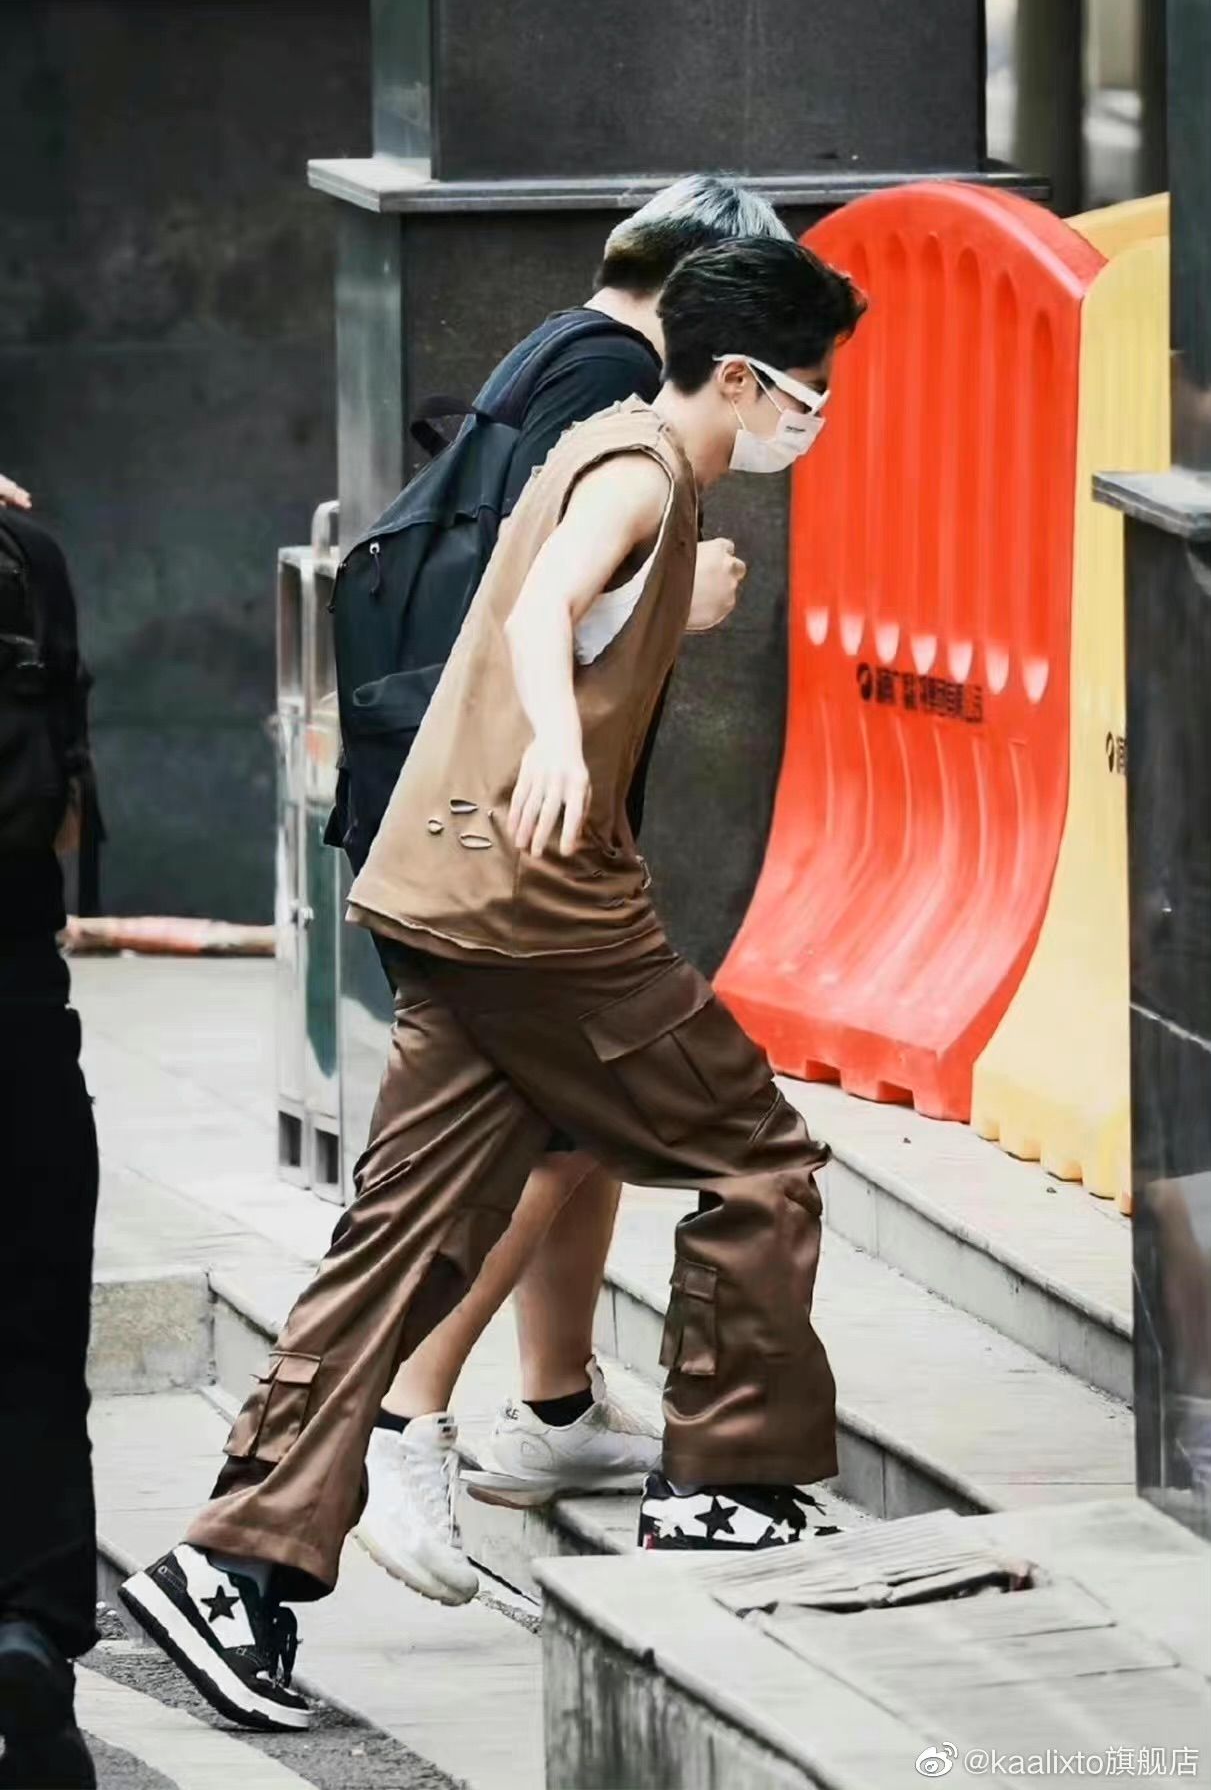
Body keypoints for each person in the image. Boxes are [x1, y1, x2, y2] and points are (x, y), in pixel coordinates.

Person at [120, 235, 865, 1733]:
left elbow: (568, 609)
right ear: (740, 377)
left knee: (399, 1241)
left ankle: (232, 1563)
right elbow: (537, 616)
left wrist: (654, 632)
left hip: (447, 894)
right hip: (544, 917)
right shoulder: (644, 472)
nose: (816, 415)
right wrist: (567, 749)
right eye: (811, 389)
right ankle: (727, 1490)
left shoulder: (613, 441)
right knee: (758, 1160)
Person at [357, 176, 794, 1602]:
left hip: (492, 812)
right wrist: (680, 599)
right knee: (552, 1134)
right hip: (510, 829)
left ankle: (549, 1408)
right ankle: (407, 1418)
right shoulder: (621, 394)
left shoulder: (559, 344)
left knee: (574, 1123)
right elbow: (546, 601)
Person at [0, 483, 99, 1789]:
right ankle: (28, 1628)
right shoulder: (28, 551)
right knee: (33, 1342)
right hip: (19, 998)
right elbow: (66, 799)